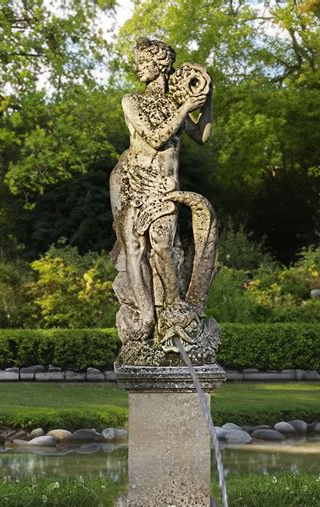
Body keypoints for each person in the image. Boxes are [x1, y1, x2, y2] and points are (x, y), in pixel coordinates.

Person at [110, 38, 213, 345]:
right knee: (136, 250)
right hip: (135, 182)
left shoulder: (174, 104)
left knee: (163, 248)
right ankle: (146, 317)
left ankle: (172, 308)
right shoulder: (132, 101)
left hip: (165, 186)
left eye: (142, 63)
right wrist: (186, 108)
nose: (137, 68)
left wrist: (207, 100)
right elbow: (155, 137)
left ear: (159, 66)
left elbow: (203, 136)